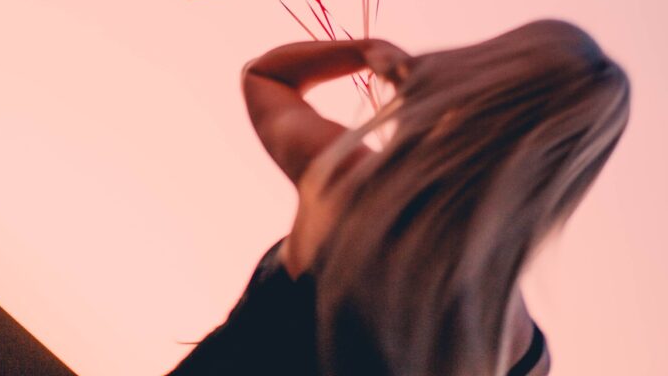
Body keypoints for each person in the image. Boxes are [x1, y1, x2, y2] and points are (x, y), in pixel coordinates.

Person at [165, 19, 630, 375]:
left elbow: (265, 78)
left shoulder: (348, 183)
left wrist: (363, 51)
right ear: (566, 178)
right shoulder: (524, 357)